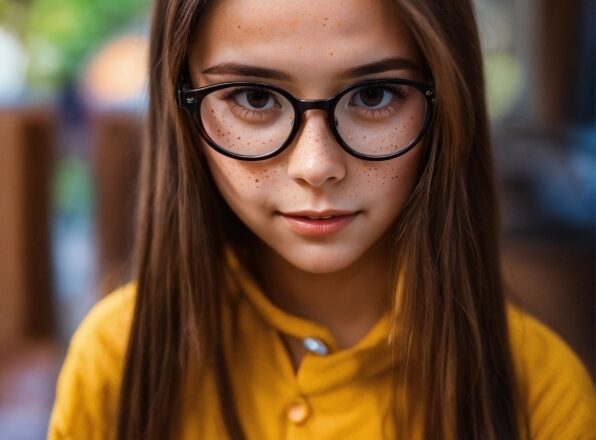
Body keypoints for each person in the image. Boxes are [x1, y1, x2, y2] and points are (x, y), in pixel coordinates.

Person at [48, 0, 594, 439]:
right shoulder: (118, 359)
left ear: (448, 102)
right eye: (255, 97)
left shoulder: (541, 394)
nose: (317, 167)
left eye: (375, 94)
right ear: (181, 104)